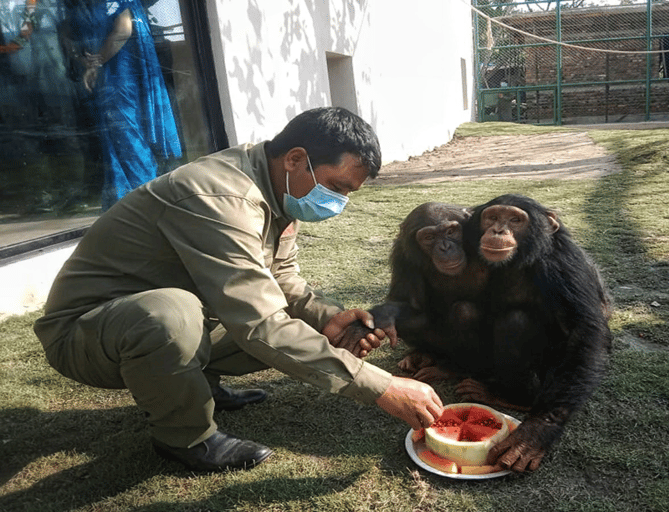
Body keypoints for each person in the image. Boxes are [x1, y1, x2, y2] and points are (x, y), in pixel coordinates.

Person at [34, 107, 444, 472]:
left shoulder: (278, 189)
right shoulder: (220, 196)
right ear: (296, 159)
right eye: (335, 187)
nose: (337, 203)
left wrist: (326, 318)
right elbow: (260, 323)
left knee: (281, 319)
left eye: (347, 194)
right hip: (84, 335)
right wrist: (382, 386)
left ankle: (200, 386)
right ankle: (186, 439)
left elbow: (281, 278)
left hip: (155, 319)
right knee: (171, 314)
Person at [63, 0, 181, 210]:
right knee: (117, 138)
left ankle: (144, 201)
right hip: (108, 74)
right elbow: (68, 33)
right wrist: (86, 60)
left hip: (121, 74)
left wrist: (96, 63)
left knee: (128, 136)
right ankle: (128, 202)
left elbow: (123, 29)